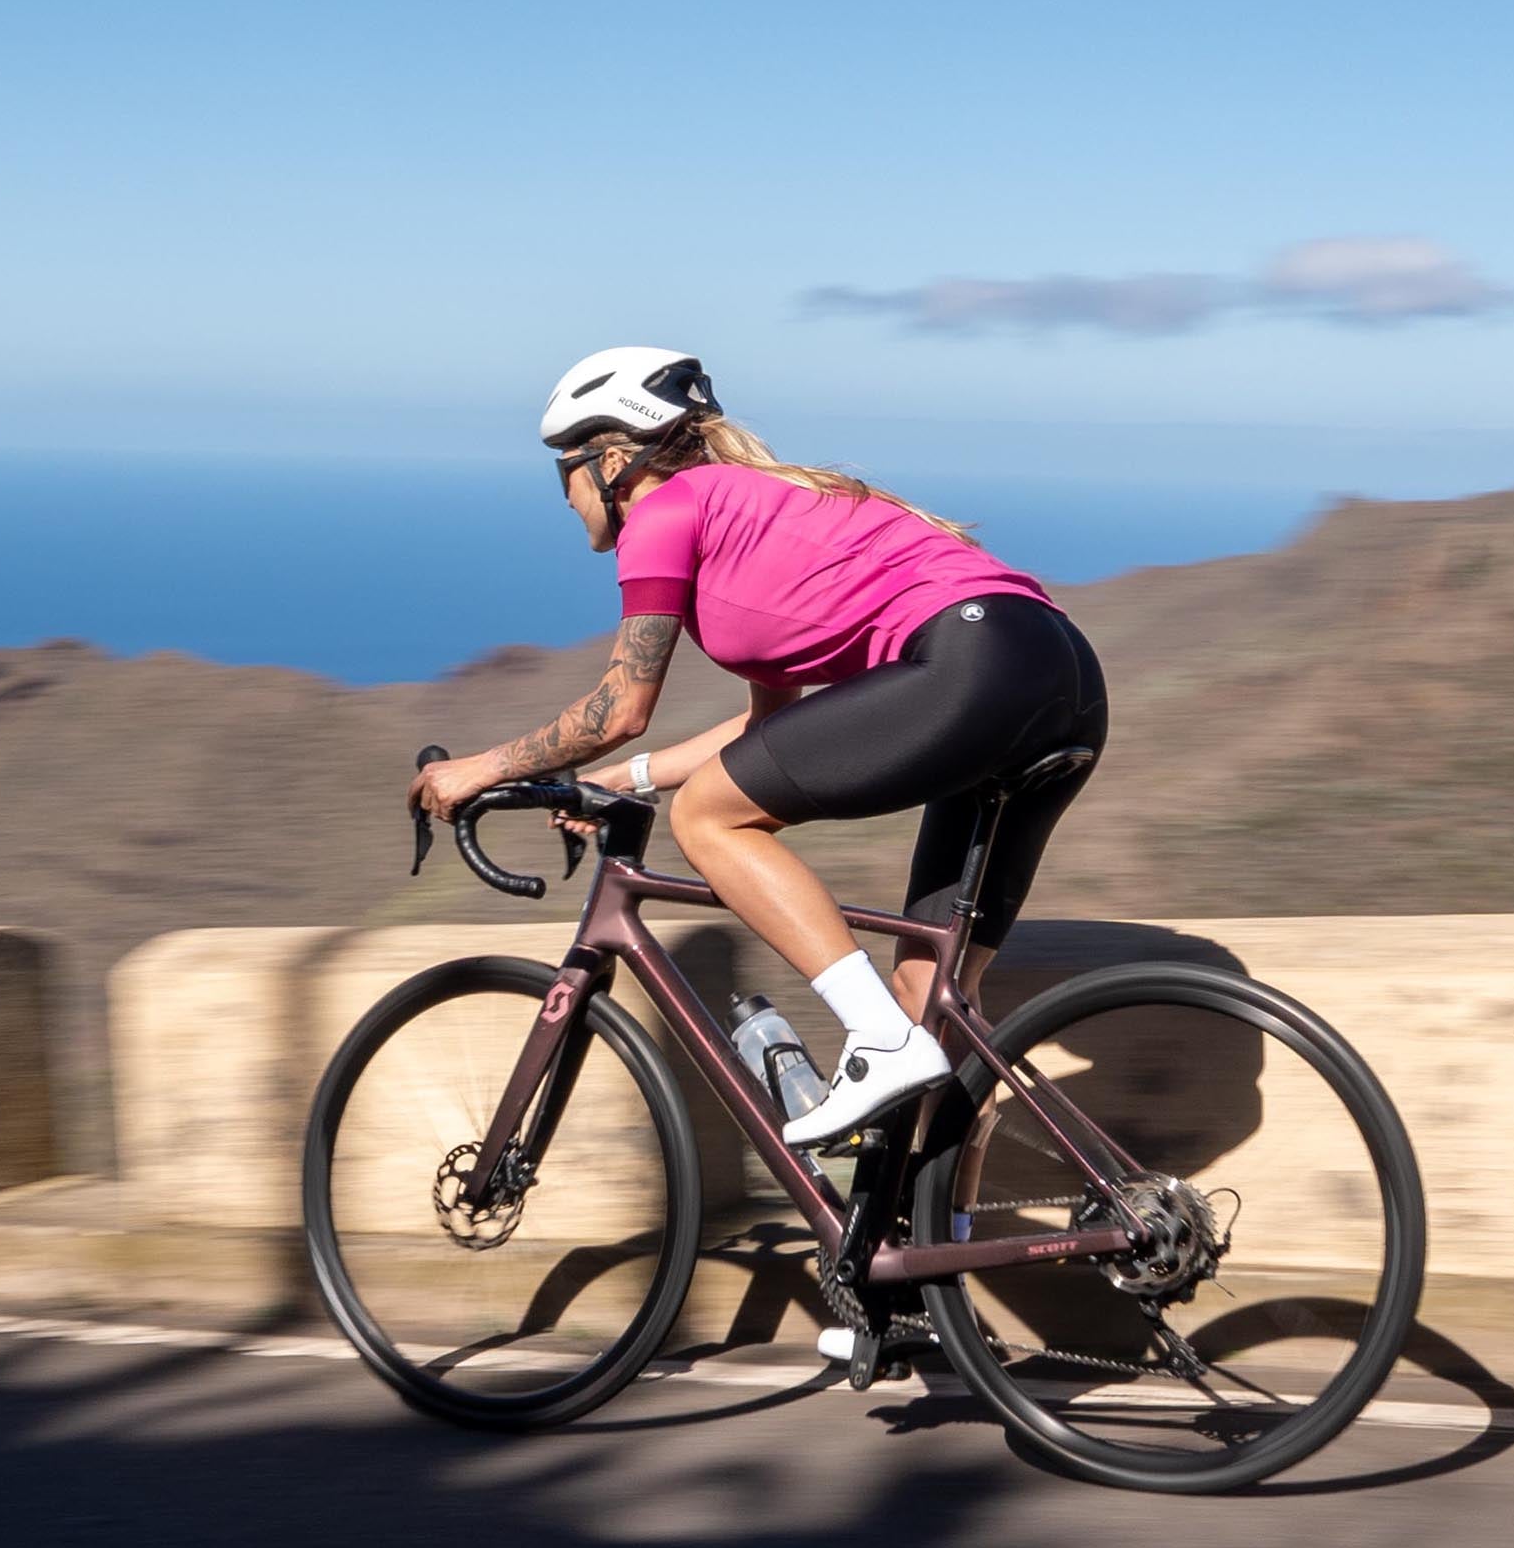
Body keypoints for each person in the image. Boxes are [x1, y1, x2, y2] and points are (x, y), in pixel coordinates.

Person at [408, 344, 1108, 1150]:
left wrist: (476, 771)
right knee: (931, 998)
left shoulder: (665, 512)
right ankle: (938, 1247)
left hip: (968, 667)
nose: (564, 498)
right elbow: (766, 731)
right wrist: (620, 781)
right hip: (1058, 677)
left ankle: (876, 1045)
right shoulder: (756, 506)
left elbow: (620, 705)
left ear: (610, 459)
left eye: (561, 471)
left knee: (709, 820)